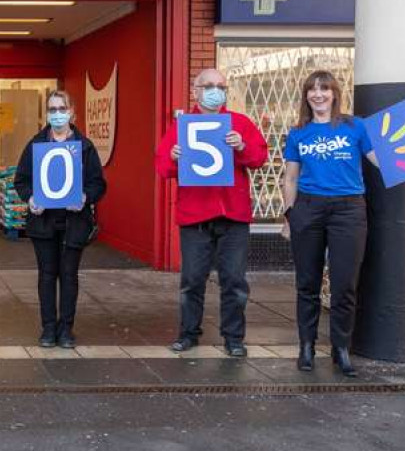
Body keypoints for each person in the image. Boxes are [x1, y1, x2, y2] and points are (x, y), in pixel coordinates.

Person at [155, 69, 268, 357]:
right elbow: (162, 167)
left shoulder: (240, 123)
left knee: (234, 280)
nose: (214, 90)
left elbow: (260, 157)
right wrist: (173, 157)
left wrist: (241, 146)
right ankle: (188, 333)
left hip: (233, 216)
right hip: (195, 217)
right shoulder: (182, 127)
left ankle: (233, 337)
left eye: (220, 86)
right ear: (195, 91)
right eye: (208, 86)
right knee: (192, 279)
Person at [281, 70, 379, 377]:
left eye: (325, 89)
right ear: (306, 96)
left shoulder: (354, 126)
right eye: (312, 89)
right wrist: (288, 216)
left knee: (344, 284)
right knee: (307, 284)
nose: (318, 94)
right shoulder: (298, 132)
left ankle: (340, 349)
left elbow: (382, 159)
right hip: (308, 209)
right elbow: (291, 177)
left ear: (335, 93)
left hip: (349, 210)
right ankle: (306, 347)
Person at [14, 90, 106, 348]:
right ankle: (48, 328)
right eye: (52, 109)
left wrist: (86, 198)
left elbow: (98, 183)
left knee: (69, 275)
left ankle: (66, 329)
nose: (57, 114)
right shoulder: (36, 145)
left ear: (72, 112)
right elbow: (20, 180)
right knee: (46, 275)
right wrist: (30, 198)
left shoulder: (84, 147)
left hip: (74, 223)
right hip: (43, 223)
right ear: (47, 114)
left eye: (61, 108)